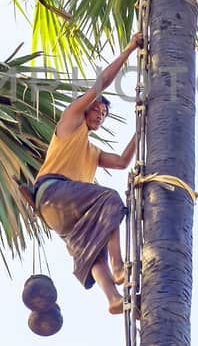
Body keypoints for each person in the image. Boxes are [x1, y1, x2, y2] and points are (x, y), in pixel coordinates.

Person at [33, 34, 142, 314]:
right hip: (53, 191)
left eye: (104, 114)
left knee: (92, 252)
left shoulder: (91, 152)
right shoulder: (70, 122)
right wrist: (129, 49)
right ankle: (119, 265)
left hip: (59, 216)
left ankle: (113, 299)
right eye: (98, 109)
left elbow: (120, 162)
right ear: (86, 105)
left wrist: (142, 127)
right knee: (109, 199)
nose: (100, 116)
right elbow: (102, 83)